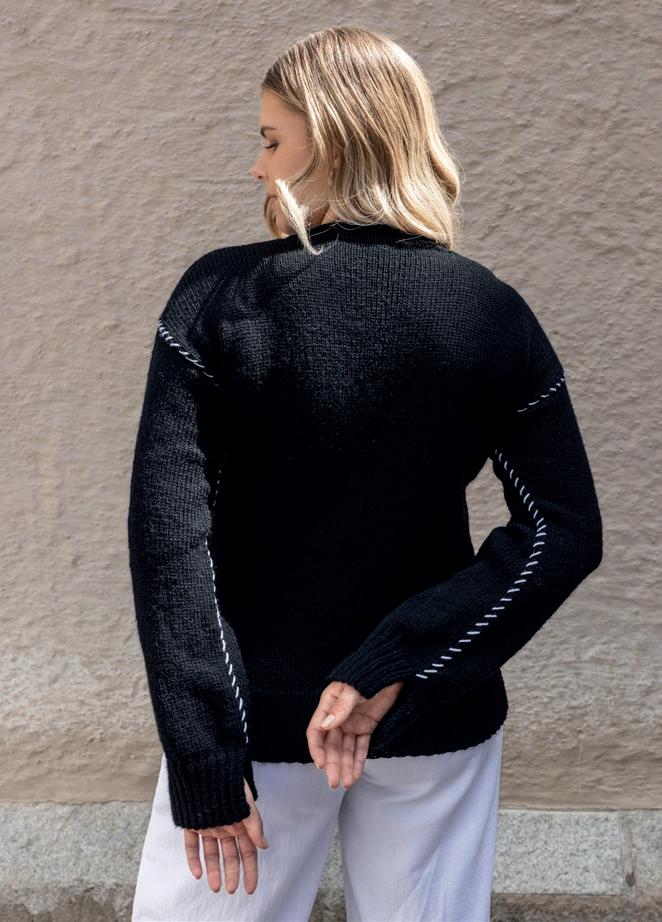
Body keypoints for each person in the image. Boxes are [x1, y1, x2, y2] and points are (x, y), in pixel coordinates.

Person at [127, 25, 603, 922]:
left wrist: (204, 754)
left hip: (254, 739)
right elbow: (562, 532)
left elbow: (171, 547)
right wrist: (402, 664)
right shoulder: (488, 311)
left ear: (334, 142)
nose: (258, 168)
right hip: (426, 722)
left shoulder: (220, 299)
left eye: (272, 140)